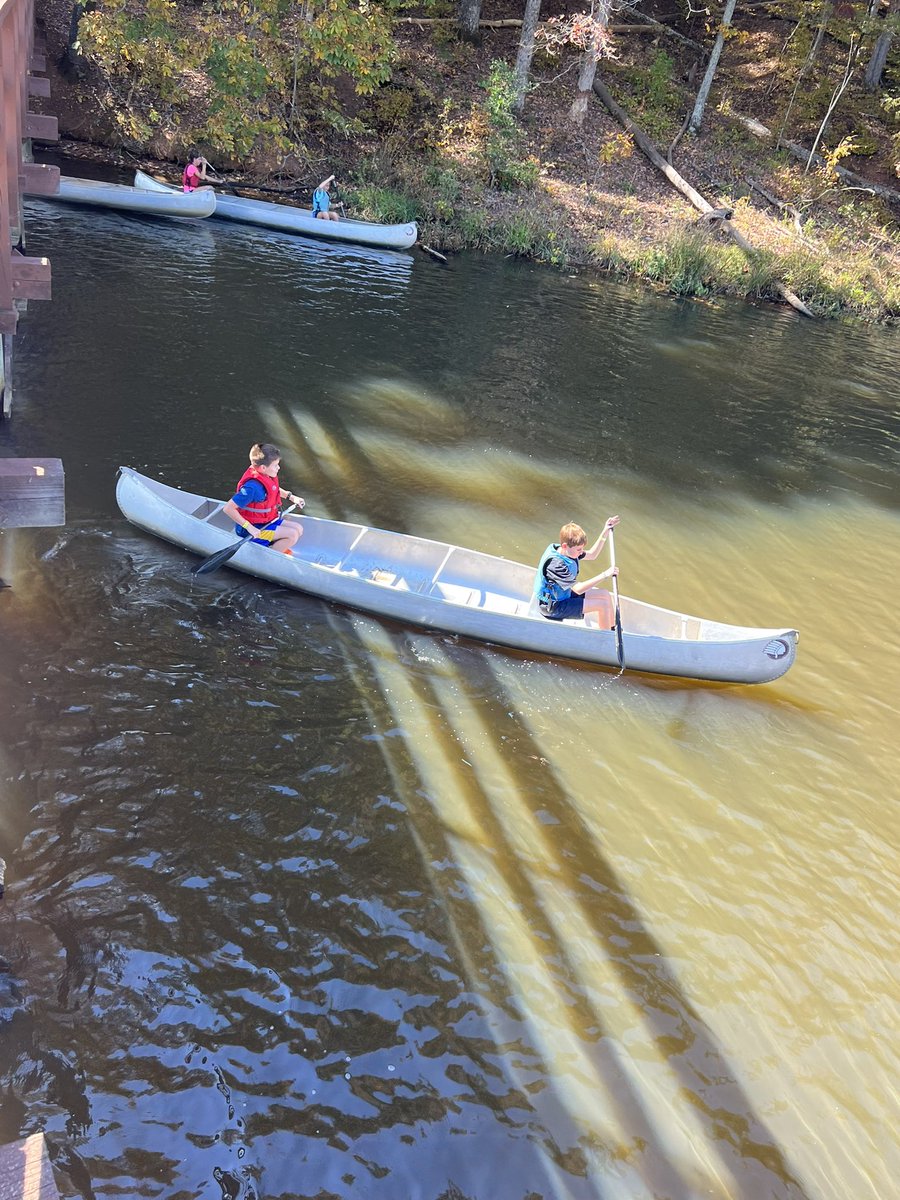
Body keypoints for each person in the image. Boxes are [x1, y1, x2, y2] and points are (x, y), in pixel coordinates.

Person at [534, 517, 620, 625]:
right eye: (579, 550)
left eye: (582, 549)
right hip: (553, 607)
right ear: (565, 546)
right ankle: (605, 640)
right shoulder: (556, 566)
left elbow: (593, 555)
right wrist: (605, 574)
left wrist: (605, 531)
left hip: (565, 594)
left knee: (605, 594)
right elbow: (578, 589)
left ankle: (612, 629)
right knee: (602, 605)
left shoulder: (569, 551)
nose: (581, 552)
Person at [221, 443, 305, 556]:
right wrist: (249, 528)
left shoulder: (265, 475)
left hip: (264, 523)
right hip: (250, 531)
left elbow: (273, 489)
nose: (278, 468)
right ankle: (269, 557)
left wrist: (292, 497)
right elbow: (228, 508)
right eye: (276, 465)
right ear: (263, 468)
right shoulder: (251, 488)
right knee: (292, 535)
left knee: (298, 528)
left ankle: (274, 546)